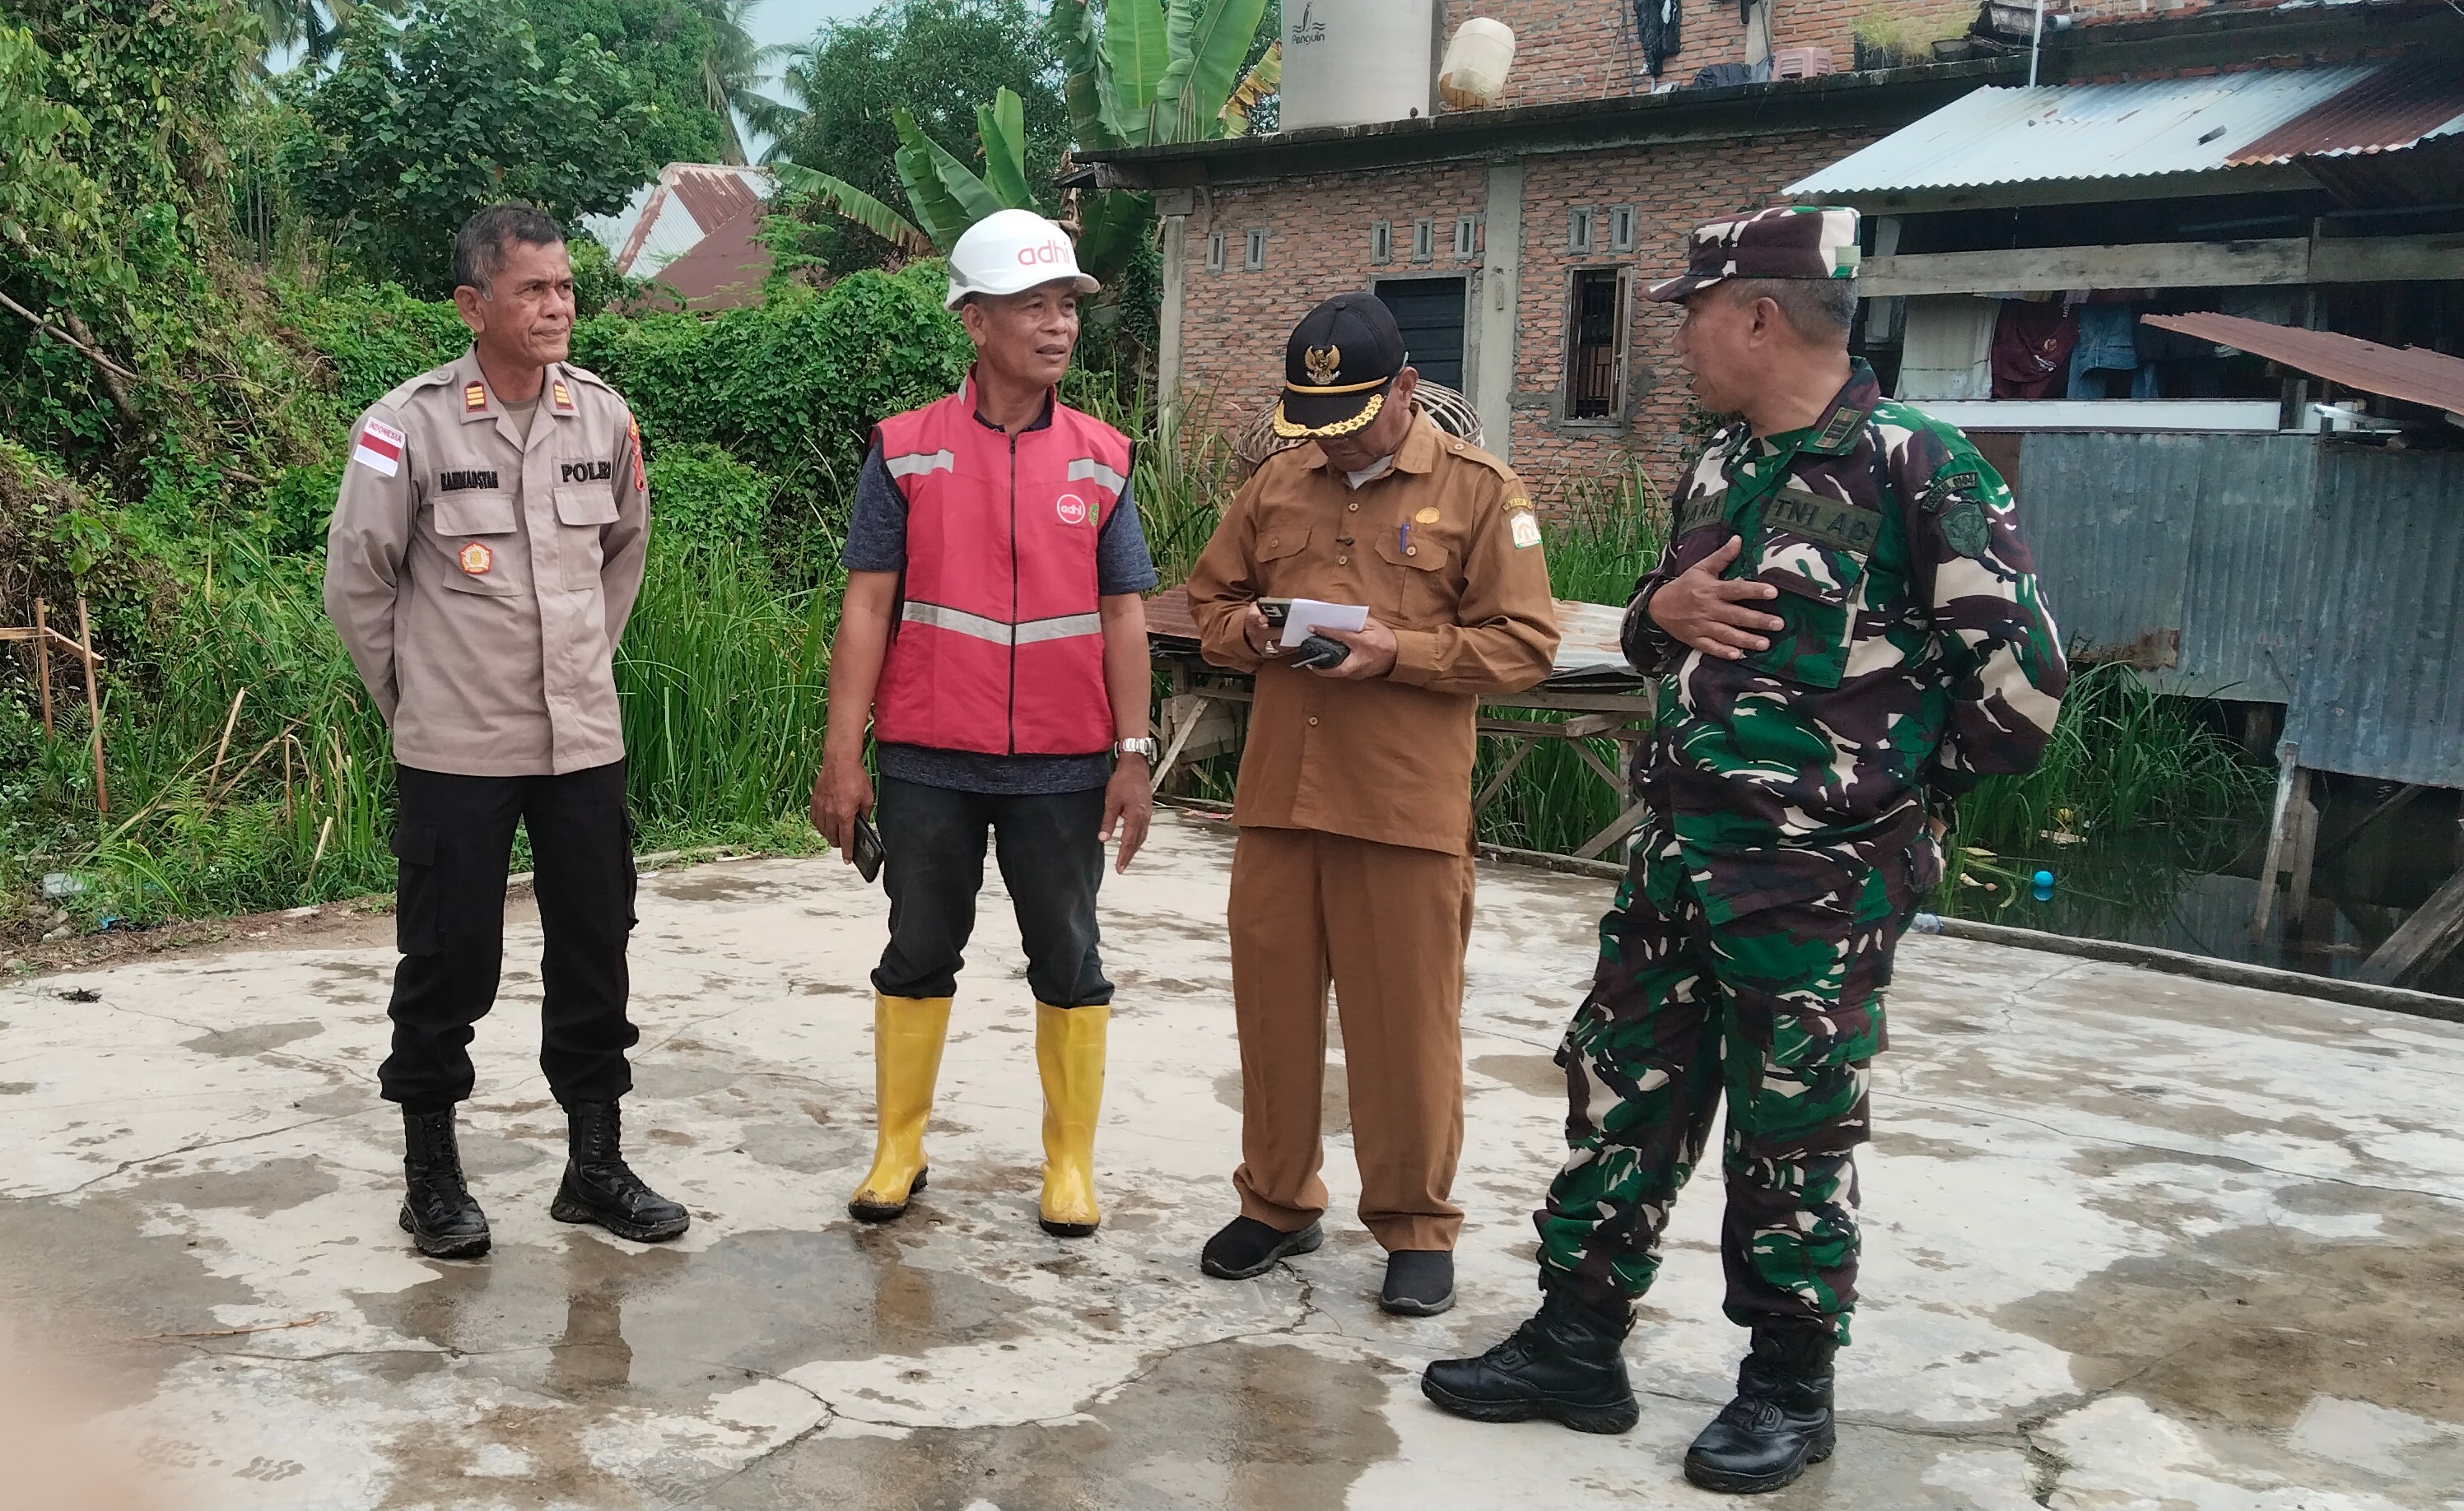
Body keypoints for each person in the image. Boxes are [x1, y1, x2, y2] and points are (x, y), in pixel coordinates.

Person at [1421, 207, 2070, 1492]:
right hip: (1678, 853)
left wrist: (1886, 808)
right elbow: (1670, 629)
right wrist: (1659, 614)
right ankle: (1576, 1342)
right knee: (1620, 1098)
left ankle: (1786, 1384)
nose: (1678, 343)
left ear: (1758, 316)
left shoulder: (1919, 469)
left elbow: (2024, 688)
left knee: (1794, 1132)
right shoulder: (1723, 467)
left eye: (1692, 315)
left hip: (1820, 882)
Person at [1182, 293, 1562, 1316]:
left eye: (1351, 413)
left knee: (1406, 1028)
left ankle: (1413, 1224)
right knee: (1270, 1017)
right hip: (1278, 800)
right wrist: (1246, 634)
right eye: (1313, 417)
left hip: (1400, 806)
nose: (1331, 437)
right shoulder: (1275, 483)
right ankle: (1275, 1201)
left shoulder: (1482, 492)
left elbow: (1525, 647)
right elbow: (1207, 600)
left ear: (1402, 389)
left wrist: (1405, 651)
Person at [324, 203, 687, 1260]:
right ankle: (431, 1178)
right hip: (455, 750)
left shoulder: (604, 419)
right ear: (473, 304)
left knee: (594, 951)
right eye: (532, 289)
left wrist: (581, 664)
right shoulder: (408, 424)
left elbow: (624, 552)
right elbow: (361, 582)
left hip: (582, 743)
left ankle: (594, 1166)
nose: (558, 306)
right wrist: (419, 704)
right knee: (448, 960)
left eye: (565, 286)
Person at [809, 208, 1158, 1239]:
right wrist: (843, 757)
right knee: (918, 946)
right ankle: (898, 1149)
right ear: (974, 320)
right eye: (1032, 306)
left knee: (1068, 956)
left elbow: (1123, 612)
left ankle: (1068, 1167)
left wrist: (1131, 752)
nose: (1057, 327)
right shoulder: (905, 451)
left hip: (1060, 762)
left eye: (1067, 307)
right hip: (928, 757)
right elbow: (865, 608)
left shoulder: (1102, 458)